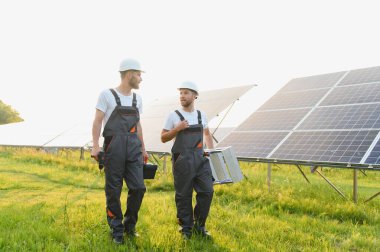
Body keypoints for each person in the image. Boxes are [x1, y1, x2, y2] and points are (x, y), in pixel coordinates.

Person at [91, 58, 148, 244]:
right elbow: (98, 120)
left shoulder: (137, 99)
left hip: (133, 148)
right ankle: (116, 229)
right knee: (113, 191)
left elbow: (138, 125)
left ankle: (129, 225)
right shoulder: (106, 95)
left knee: (138, 188)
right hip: (113, 146)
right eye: (139, 74)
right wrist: (96, 145)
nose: (141, 78)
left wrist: (143, 148)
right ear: (130, 74)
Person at [161, 81, 214, 240]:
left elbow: (207, 134)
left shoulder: (201, 115)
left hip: (200, 160)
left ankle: (199, 224)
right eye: (181, 93)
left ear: (195, 95)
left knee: (207, 191)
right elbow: (163, 138)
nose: (182, 96)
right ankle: (186, 228)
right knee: (183, 195)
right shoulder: (173, 115)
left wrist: (210, 152)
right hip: (182, 161)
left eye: (185, 92)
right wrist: (177, 129)